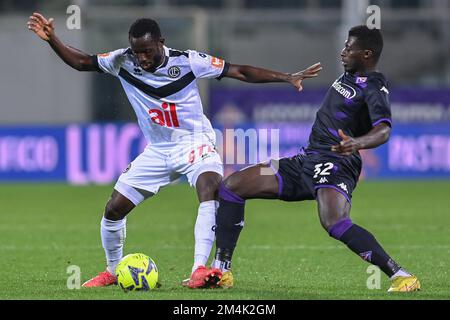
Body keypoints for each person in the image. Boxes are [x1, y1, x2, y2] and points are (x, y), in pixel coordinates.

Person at [27, 13, 322, 289]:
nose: (141, 58)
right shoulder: (121, 60)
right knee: (113, 209)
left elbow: (240, 71)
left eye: (147, 51)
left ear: (161, 43)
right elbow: (81, 62)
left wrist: (286, 77)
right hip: (157, 150)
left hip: (195, 142)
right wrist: (53, 38)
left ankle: (199, 270)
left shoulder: (189, 61)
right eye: (136, 52)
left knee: (210, 188)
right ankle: (114, 270)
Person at [211, 25, 420, 292]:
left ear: (367, 54)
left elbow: (384, 130)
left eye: (349, 47)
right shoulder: (348, 76)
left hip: (335, 163)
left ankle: (401, 275)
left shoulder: (374, 86)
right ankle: (221, 270)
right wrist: (289, 77)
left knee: (334, 222)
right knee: (233, 186)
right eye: (344, 45)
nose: (343, 51)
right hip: (304, 162)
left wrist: (356, 143)